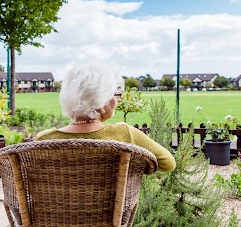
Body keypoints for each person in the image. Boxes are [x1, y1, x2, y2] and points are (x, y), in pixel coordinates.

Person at [34, 63, 176, 172]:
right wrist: (132, 167)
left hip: (56, 210)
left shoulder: (43, 140)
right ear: (101, 103)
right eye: (115, 94)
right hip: (115, 210)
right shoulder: (125, 135)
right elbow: (168, 163)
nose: (117, 99)